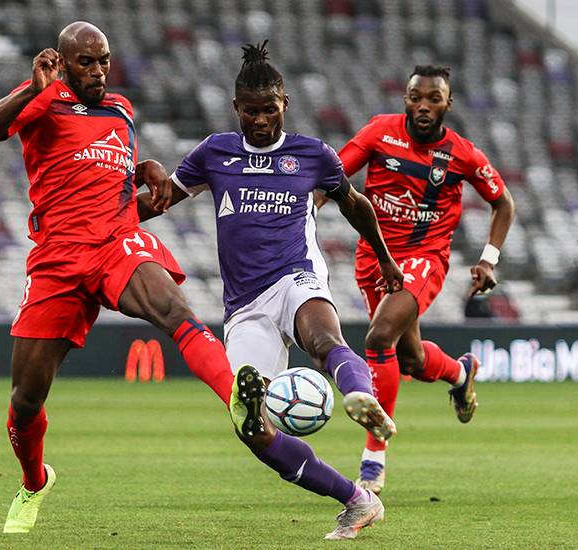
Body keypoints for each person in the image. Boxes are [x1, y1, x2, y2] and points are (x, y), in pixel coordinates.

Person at [0, 21, 235, 534]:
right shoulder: (45, 98)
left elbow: (105, 176)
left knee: (172, 306)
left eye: (104, 60)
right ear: (65, 62)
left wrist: (145, 169)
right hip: (57, 257)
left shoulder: (121, 111)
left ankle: (237, 402)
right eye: (86, 62)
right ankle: (34, 481)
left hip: (115, 243)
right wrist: (33, 87)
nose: (98, 70)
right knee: (25, 400)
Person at [138, 41, 404, 541]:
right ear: (236, 108)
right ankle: (356, 499)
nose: (260, 121)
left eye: (270, 110)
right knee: (252, 427)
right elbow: (162, 200)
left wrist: (386, 258)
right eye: (251, 112)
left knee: (323, 339)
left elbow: (354, 204)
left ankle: (362, 400)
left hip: (296, 277)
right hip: (245, 305)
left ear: (285, 104)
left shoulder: (312, 155)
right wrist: (100, 221)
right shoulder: (215, 153)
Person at [334, 65, 515, 494]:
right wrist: (307, 210)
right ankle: (459, 372)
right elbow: (333, 176)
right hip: (375, 258)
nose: (423, 105)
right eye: (416, 97)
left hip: (423, 258)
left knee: (378, 338)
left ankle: (373, 460)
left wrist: (488, 260)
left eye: (434, 98)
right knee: (409, 358)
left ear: (447, 104)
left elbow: (502, 203)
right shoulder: (380, 132)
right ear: (405, 99)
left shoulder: (463, 154)